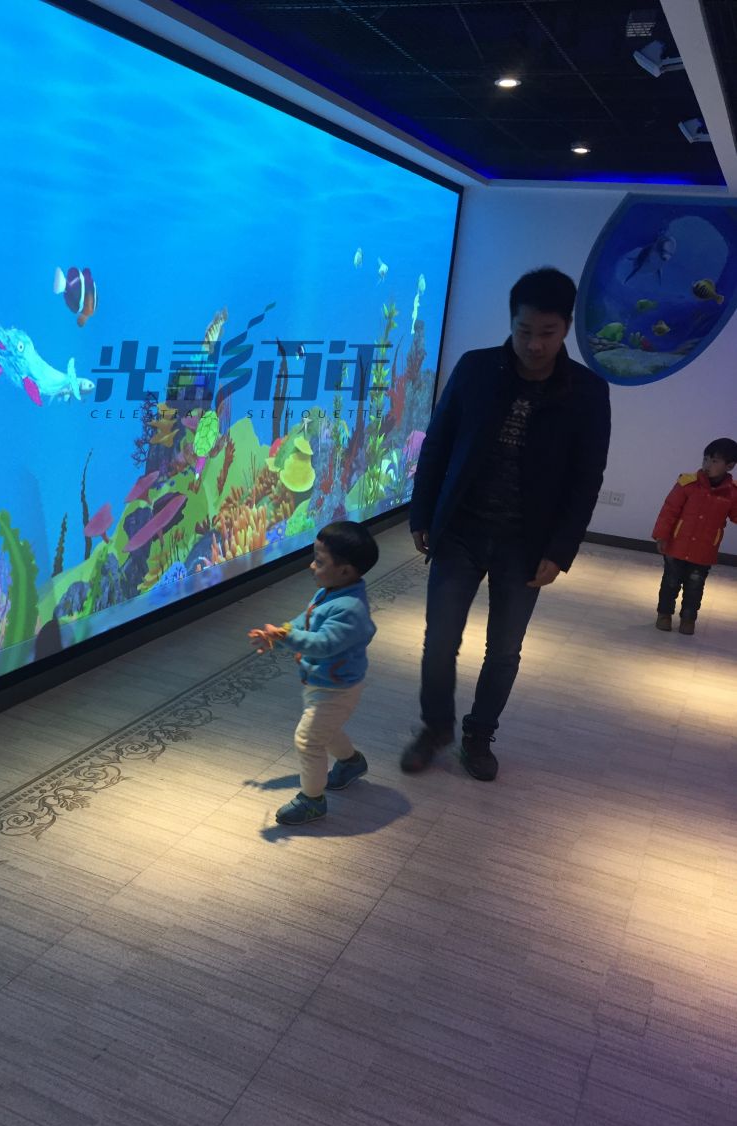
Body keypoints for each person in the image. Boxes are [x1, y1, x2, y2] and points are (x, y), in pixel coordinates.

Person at [403, 267, 611, 782]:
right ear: (511, 321)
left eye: (547, 333)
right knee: (439, 641)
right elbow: (438, 443)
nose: (534, 344)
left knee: (504, 650)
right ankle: (435, 728)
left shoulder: (587, 391)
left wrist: (560, 550)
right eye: (524, 331)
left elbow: (586, 479)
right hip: (460, 531)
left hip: (526, 543)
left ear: (566, 328)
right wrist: (423, 513)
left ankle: (479, 735)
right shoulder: (476, 369)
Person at [249, 521, 378, 825]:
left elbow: (323, 644)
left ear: (345, 571)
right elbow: (305, 622)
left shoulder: (349, 609)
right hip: (324, 682)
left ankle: (312, 800)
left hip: (337, 688)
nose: (311, 566)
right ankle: (351, 763)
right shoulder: (330, 592)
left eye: (319, 562)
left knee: (308, 740)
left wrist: (287, 637)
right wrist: (280, 633)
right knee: (325, 731)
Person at [652, 437, 737, 635]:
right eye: (705, 459)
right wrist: (662, 536)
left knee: (695, 587)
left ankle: (688, 619)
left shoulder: (732, 493)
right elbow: (669, 510)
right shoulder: (687, 484)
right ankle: (664, 614)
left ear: (730, 466)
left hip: (704, 550)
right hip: (676, 546)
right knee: (670, 582)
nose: (707, 465)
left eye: (714, 461)